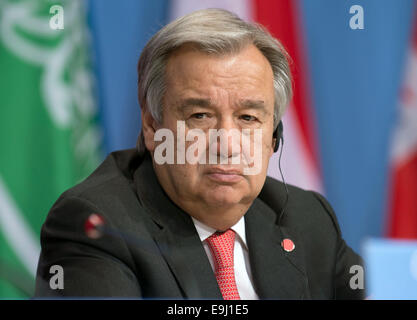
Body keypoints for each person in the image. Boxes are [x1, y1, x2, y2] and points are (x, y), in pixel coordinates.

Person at [35, 8, 365, 299]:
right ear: (152, 128)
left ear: (274, 136)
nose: (227, 144)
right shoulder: (97, 225)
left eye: (248, 118)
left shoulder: (307, 217)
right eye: (200, 116)